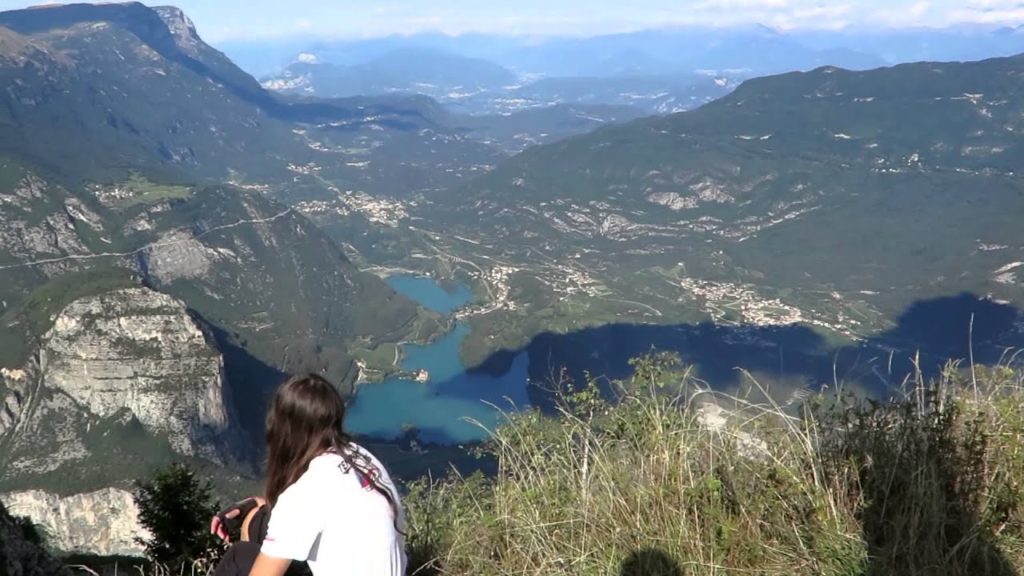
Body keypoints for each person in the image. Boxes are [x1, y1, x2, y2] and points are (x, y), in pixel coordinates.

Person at [210, 374, 407, 576]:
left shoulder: (305, 493)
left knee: (239, 556)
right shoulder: (360, 456)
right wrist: (252, 504)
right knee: (256, 520)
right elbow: (318, 508)